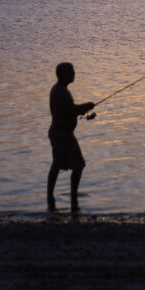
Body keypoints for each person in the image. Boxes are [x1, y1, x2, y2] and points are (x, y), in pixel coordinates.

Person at [47, 62, 95, 212]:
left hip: (60, 132)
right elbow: (69, 111)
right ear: (65, 75)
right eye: (72, 72)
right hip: (62, 134)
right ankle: (72, 197)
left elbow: (69, 111)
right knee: (78, 164)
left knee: (57, 164)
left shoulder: (60, 89)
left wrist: (85, 112)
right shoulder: (61, 92)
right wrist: (85, 106)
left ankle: (51, 197)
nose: (74, 74)